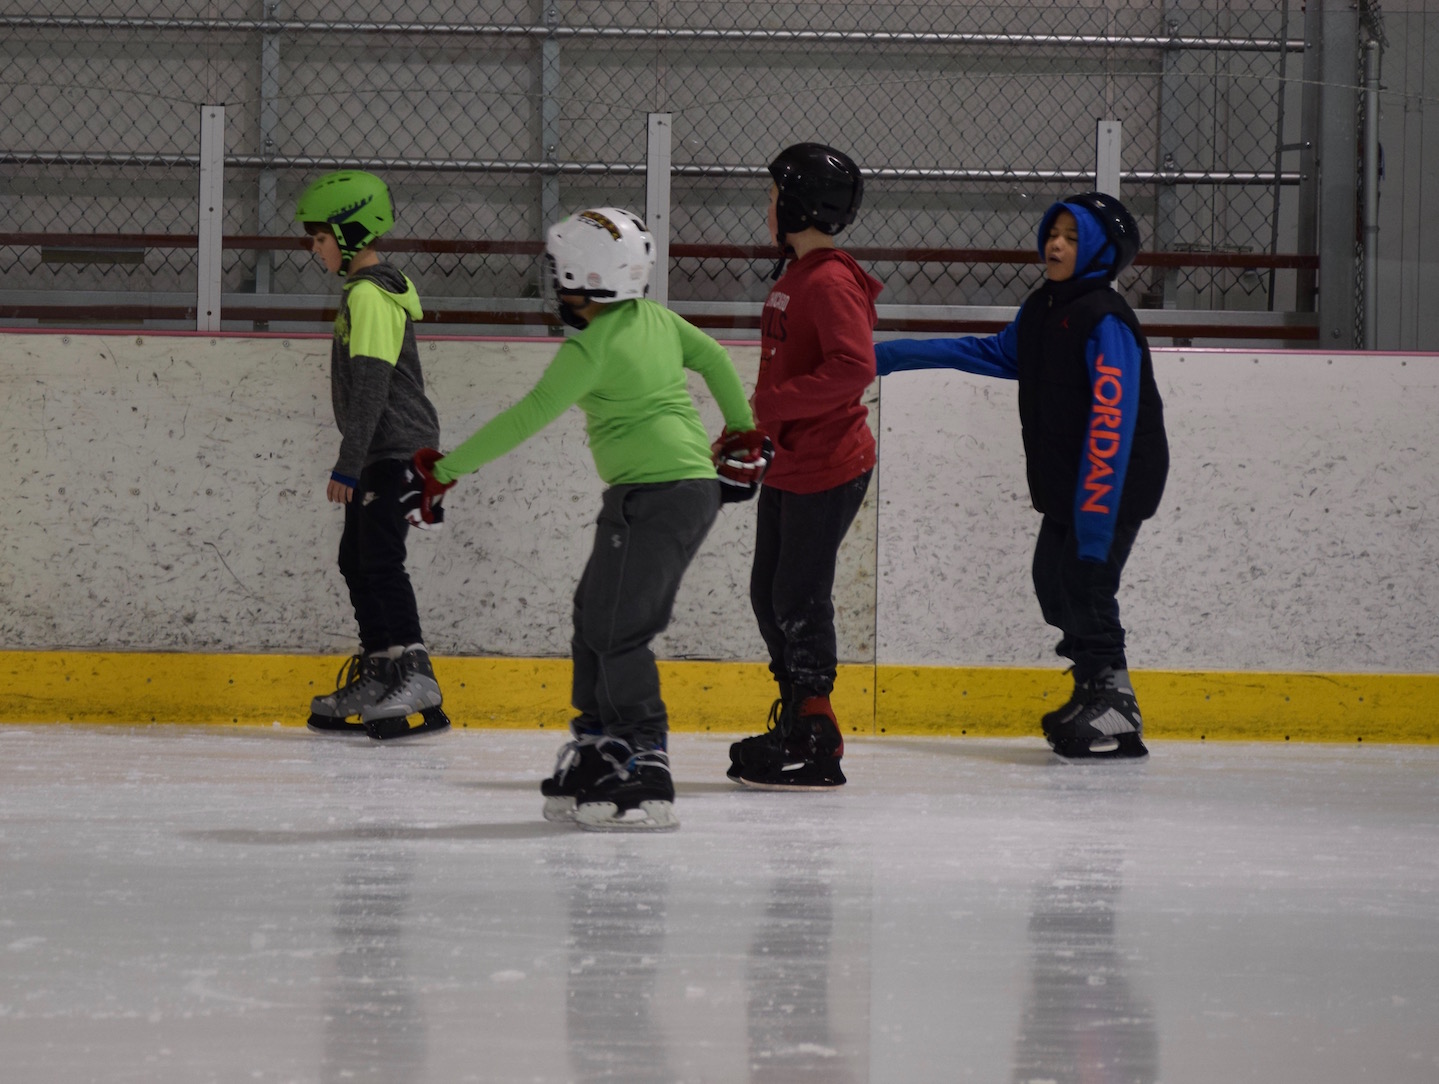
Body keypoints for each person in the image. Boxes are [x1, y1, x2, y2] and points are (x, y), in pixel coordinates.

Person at [411, 207, 764, 830]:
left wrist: (446, 470)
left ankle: (642, 752)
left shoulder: (590, 348)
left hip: (657, 494)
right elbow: (714, 358)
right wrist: (741, 432)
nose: (554, 286)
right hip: (668, 493)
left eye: (558, 274)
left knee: (620, 628)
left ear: (584, 278)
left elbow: (527, 416)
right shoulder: (656, 320)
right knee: (593, 615)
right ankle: (598, 740)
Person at [874, 192, 1168, 759]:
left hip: (1111, 483)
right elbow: (992, 353)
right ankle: (1095, 690)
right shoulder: (1044, 308)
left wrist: (1095, 517)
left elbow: (1112, 422)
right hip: (1067, 482)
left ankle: (1116, 700)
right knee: (1053, 586)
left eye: (1073, 238)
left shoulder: (1105, 319)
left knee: (1085, 583)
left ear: (1101, 251)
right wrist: (891, 355)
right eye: (1053, 233)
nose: (1055, 245)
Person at [726, 143, 883, 790]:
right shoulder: (797, 275)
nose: (766, 208)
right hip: (791, 462)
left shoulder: (828, 280)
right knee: (769, 593)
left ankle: (817, 730)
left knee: (798, 595)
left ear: (798, 204)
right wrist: (758, 430)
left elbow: (854, 366)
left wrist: (772, 406)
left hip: (828, 464)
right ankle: (796, 712)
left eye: (772, 196)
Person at [295, 169, 449, 741]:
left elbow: (371, 387)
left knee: (380, 560)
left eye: (320, 238)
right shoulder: (362, 293)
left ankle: (418, 675)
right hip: (382, 449)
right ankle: (381, 669)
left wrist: (349, 461)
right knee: (356, 560)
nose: (315, 249)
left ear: (350, 232)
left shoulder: (370, 295)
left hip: (396, 448)